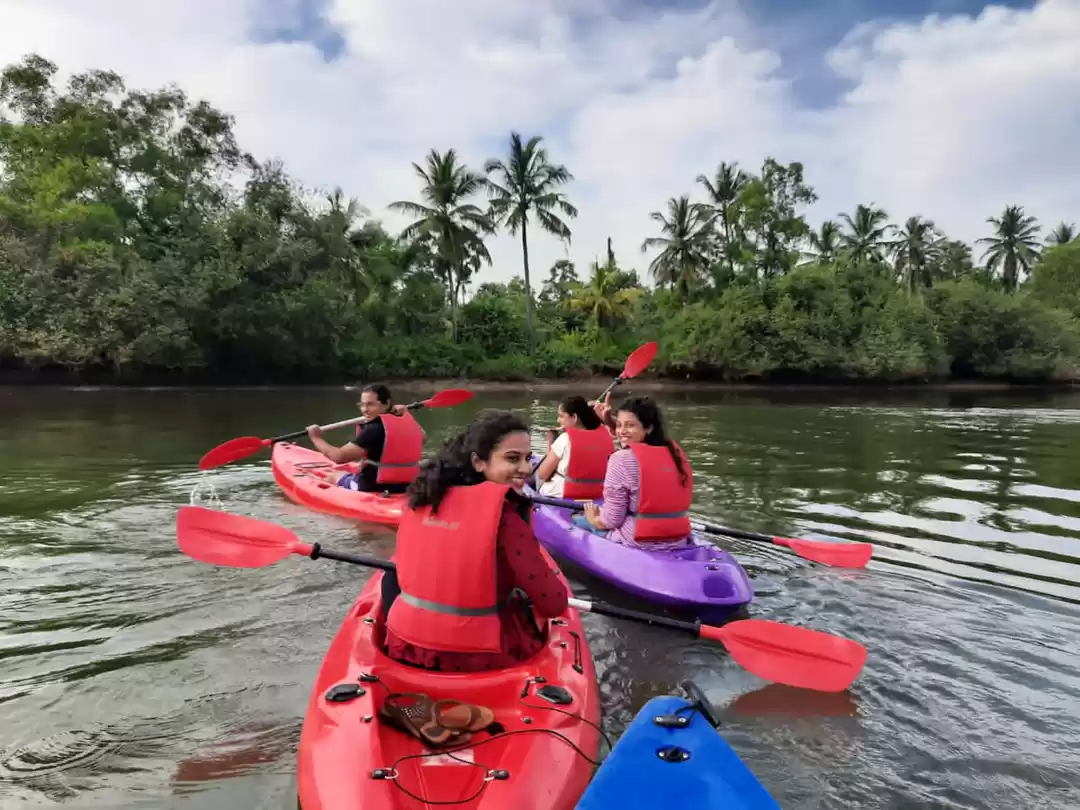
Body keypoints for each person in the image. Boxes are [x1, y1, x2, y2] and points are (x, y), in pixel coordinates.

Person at [382, 409, 569, 672]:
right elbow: (554, 603)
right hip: (479, 657)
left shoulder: (423, 497)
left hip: (407, 648)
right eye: (512, 459)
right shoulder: (506, 517)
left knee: (389, 577)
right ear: (478, 462)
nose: (526, 469)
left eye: (528, 458)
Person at [572, 395, 693, 550]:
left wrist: (594, 520)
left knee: (578, 520)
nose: (622, 431)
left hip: (636, 541)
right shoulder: (674, 454)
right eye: (619, 425)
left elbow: (612, 520)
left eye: (629, 425)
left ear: (648, 427)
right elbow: (628, 436)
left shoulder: (620, 459)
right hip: (678, 539)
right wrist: (608, 420)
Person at [304, 383, 424, 494]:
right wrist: (406, 415)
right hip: (406, 486)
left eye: (370, 404)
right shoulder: (409, 425)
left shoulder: (373, 429)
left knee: (334, 476)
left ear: (387, 403)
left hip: (372, 487)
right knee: (356, 468)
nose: (364, 410)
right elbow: (423, 437)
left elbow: (339, 457)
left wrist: (316, 438)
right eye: (362, 405)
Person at [535, 395, 614, 499]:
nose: (558, 420)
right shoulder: (606, 435)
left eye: (561, 416)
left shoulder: (564, 439)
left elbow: (542, 474)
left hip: (565, 493)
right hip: (599, 493)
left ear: (574, 418)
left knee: (534, 476)